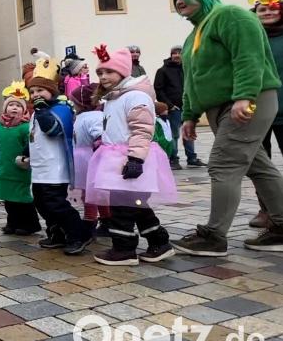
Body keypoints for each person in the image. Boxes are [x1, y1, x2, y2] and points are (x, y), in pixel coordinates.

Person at [168, 0, 283, 256]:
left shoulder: (231, 15)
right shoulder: (193, 35)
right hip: (222, 107)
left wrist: (245, 96)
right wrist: (189, 115)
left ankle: (214, 236)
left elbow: (249, 57)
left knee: (223, 165)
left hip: (249, 100)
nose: (179, 1)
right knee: (258, 166)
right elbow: (193, 82)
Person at [84, 46, 176, 266]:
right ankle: (159, 243)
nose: (104, 77)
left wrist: (135, 159)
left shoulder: (135, 96)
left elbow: (142, 129)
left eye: (109, 72)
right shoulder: (113, 98)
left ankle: (124, 249)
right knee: (137, 205)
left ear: (123, 73)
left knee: (121, 208)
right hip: (116, 159)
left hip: (130, 160)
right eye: (100, 73)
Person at [27, 56, 93, 255]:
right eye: (32, 92)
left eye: (40, 91)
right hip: (39, 168)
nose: (35, 95)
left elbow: (53, 130)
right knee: (41, 203)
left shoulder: (60, 109)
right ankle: (57, 233)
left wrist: (41, 110)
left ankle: (78, 234)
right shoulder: (37, 112)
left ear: (52, 91)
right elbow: (34, 136)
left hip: (55, 169)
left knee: (56, 204)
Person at [248, 0, 283, 228]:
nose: (268, 13)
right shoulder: (250, 37)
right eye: (262, 9)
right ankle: (267, 209)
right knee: (259, 165)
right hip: (256, 111)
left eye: (273, 8)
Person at [0, 81, 41, 235]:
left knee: (22, 199)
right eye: (11, 105)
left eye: (18, 106)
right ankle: (12, 222)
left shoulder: (25, 127)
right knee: (9, 200)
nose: (14, 108)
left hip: (20, 169)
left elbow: (32, 146)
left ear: (23, 110)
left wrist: (27, 160)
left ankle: (30, 224)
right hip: (5, 169)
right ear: (5, 108)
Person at [153, 47, 206, 171]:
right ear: (170, 55)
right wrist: (169, 105)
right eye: (174, 53)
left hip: (188, 107)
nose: (177, 55)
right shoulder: (163, 71)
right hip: (174, 108)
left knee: (189, 132)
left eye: (180, 53)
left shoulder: (187, 69)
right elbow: (159, 89)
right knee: (174, 134)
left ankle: (192, 158)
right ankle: (173, 159)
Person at [70, 83, 110, 237]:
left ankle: (89, 222)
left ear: (82, 103)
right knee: (96, 192)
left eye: (75, 103)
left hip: (89, 159)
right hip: (85, 158)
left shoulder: (93, 117)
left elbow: (100, 135)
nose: (74, 106)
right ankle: (107, 220)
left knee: (90, 193)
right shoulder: (84, 116)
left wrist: (98, 144)